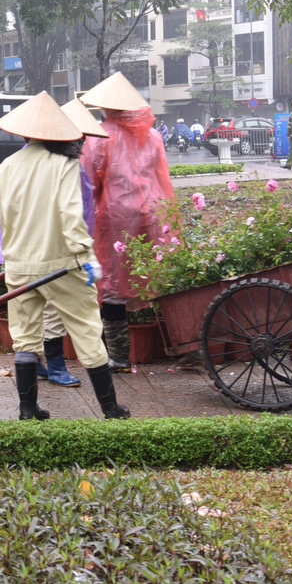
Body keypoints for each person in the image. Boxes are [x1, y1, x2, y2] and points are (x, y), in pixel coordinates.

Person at [0, 91, 129, 422]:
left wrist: (12, 258)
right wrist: (87, 256)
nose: (81, 143)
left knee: (25, 336)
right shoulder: (63, 165)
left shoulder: (8, 165)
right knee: (86, 329)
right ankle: (110, 408)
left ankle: (28, 409)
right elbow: (71, 217)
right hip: (60, 265)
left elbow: (4, 218)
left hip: (19, 265)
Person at [81, 72, 174, 373]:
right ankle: (181, 343)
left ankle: (120, 356)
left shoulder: (98, 136)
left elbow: (89, 181)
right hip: (155, 213)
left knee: (113, 282)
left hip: (116, 218)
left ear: (105, 107)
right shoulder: (154, 135)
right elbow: (162, 175)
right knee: (161, 276)